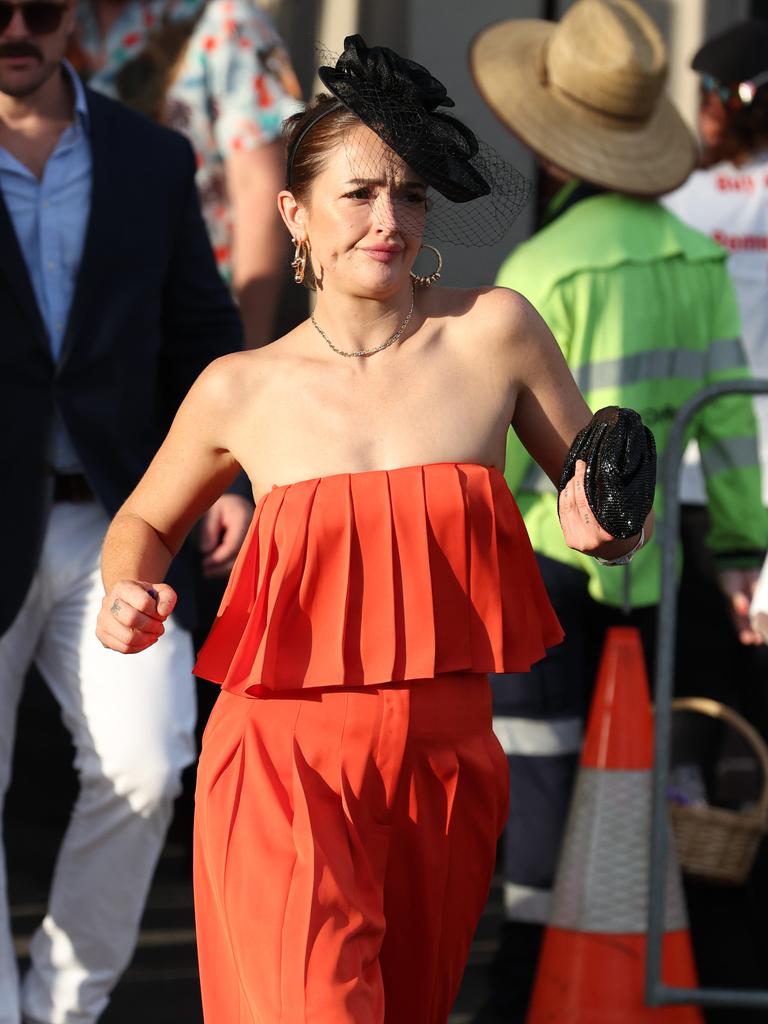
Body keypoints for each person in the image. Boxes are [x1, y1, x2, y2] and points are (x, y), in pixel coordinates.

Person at [94, 33, 653, 1024]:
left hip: (446, 766)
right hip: (282, 764)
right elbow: (143, 518)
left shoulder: (497, 332)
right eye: (359, 193)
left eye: (409, 193)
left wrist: (608, 529)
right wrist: (127, 588)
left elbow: (604, 508)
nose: (387, 220)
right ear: (292, 212)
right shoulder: (239, 386)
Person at [468, 1, 768, 1020]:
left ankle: (530, 987)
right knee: (660, 786)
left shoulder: (537, 272)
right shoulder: (696, 258)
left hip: (551, 575)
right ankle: (660, 978)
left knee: (548, 791)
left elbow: (513, 454)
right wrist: (738, 548)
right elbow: (731, 430)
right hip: (667, 573)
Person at [0, 0, 249, 1018]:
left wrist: (226, 474)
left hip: (122, 517)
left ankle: (62, 1008)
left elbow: (201, 325)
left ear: (79, 24)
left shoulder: (152, 157)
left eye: (42, 8)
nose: (17, 27)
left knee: (147, 764)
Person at [661, 18, 768, 1000]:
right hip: (748, 497)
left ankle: (706, 929)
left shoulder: (679, 201)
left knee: (696, 716)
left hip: (706, 499)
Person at [68, 0, 303, 348]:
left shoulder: (225, 20)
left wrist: (247, 352)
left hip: (192, 314)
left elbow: (260, 189)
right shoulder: (52, 20)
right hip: (90, 329)